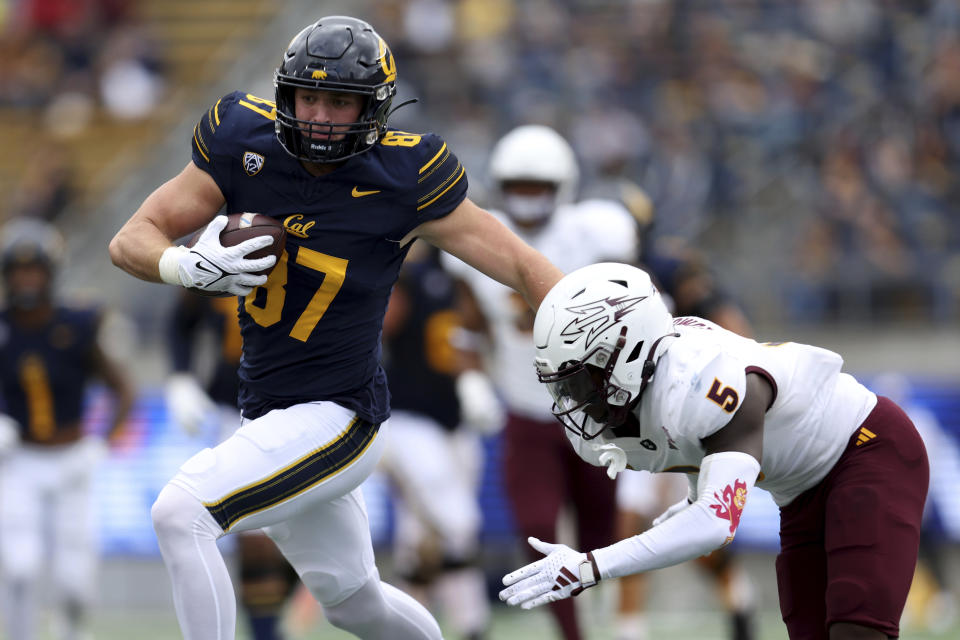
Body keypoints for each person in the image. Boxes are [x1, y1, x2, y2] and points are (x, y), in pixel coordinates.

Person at [108, 15, 562, 640]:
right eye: (309, 96)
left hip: (339, 414)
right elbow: (130, 237)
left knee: (181, 512)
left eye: (339, 102)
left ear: (372, 107)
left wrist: (587, 319)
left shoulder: (408, 175)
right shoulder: (243, 138)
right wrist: (185, 265)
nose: (319, 115)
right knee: (354, 602)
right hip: (265, 411)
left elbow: (519, 261)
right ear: (285, 94)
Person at [498, 262, 929, 640]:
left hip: (867, 450)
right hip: (799, 493)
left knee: (856, 626)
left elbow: (716, 523)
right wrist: (691, 498)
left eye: (580, 380)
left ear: (627, 354)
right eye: (563, 384)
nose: (573, 398)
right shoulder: (637, 394)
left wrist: (591, 566)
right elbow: (693, 449)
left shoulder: (702, 380)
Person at [443, 124, 636, 640]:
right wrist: (472, 382)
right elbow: (467, 328)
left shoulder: (596, 235)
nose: (527, 201)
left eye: (538, 187)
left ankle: (602, 616)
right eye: (518, 188)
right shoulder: (480, 237)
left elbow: (636, 311)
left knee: (602, 534)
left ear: (564, 186)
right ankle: (573, 635)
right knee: (538, 530)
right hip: (527, 413)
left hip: (598, 413)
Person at [0, 217, 135, 640]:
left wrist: (101, 443)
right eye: (18, 270)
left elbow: (123, 389)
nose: (26, 278)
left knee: (75, 582)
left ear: (50, 272)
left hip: (72, 459)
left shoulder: (77, 324)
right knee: (19, 566)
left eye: (33, 268)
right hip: (18, 460)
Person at [379, 241, 501, 640]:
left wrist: (476, 379)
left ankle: (405, 628)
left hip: (456, 423)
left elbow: (481, 336)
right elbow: (377, 326)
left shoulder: (468, 284)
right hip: (410, 420)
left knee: (420, 538)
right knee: (459, 523)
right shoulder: (409, 277)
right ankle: (471, 627)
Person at [165, 290, 301, 640]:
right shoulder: (217, 241)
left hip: (310, 405)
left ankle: (280, 605)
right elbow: (182, 317)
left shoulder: (317, 240)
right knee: (252, 536)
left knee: (306, 540)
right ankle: (267, 634)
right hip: (237, 408)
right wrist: (181, 375)